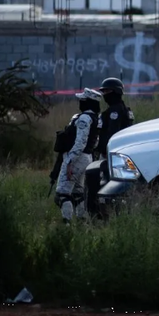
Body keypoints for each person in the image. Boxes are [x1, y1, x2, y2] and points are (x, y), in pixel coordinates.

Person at [54, 88, 102, 223]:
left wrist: (69, 160)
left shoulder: (84, 118)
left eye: (82, 100)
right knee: (77, 193)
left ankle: (66, 225)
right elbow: (95, 142)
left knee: (62, 194)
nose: (80, 102)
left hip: (78, 158)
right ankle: (82, 222)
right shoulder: (96, 119)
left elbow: (80, 142)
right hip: (87, 157)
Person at [94, 77, 135, 159]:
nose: (105, 94)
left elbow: (113, 132)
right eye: (103, 92)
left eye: (107, 91)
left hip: (112, 152)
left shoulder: (115, 111)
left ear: (116, 92)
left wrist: (105, 149)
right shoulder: (125, 109)